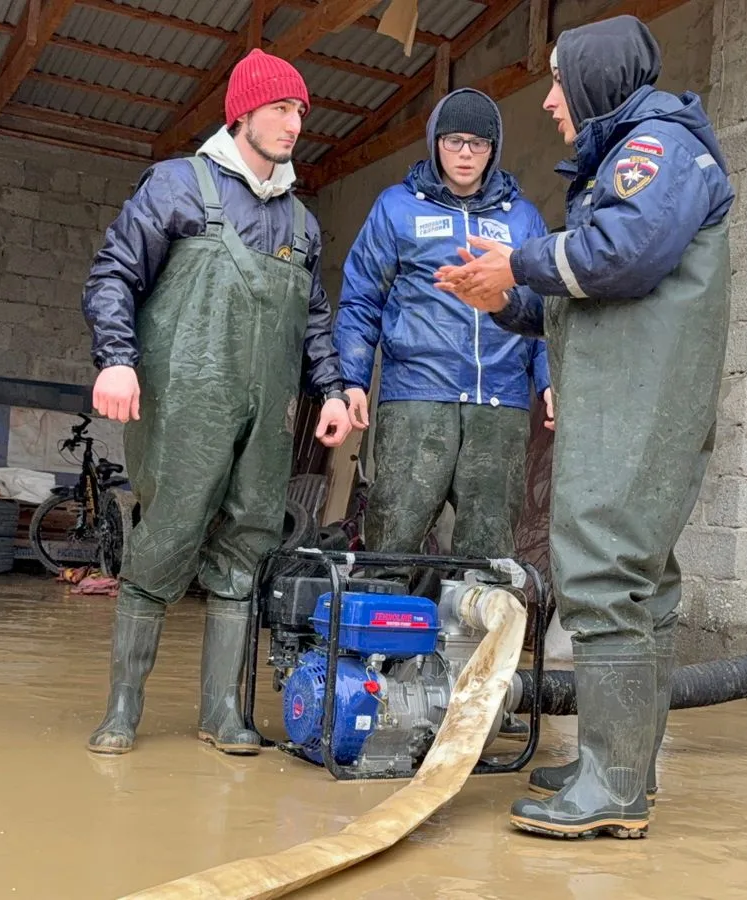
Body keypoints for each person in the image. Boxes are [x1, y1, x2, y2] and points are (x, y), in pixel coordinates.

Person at [435, 15, 734, 840]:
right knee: (640, 580)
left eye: (562, 82)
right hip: (630, 399)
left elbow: (624, 252)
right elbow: (595, 288)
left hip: (638, 405)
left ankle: (613, 787)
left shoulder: (657, 148)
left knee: (604, 574)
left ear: (600, 80)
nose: (552, 103)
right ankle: (620, 764)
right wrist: (508, 301)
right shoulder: (628, 157)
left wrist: (520, 262)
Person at [80, 49, 353, 757]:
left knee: (248, 546)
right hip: (184, 405)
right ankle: (122, 709)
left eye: (299, 111)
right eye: (279, 109)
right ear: (242, 112)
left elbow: (315, 316)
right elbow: (113, 274)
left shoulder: (301, 221)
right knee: (165, 537)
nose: (294, 123)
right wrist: (115, 358)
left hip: (267, 416)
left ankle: (224, 712)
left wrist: (328, 388)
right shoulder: (177, 186)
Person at [334, 87, 553, 570]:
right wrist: (350, 380)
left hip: (500, 403)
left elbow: (543, 307)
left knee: (490, 558)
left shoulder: (522, 218)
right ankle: (383, 646)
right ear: (435, 141)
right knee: (393, 542)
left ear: (494, 149)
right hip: (416, 396)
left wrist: (549, 378)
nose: (466, 154)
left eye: (479, 144)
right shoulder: (396, 208)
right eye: (455, 141)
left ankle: (475, 646)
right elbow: (361, 297)